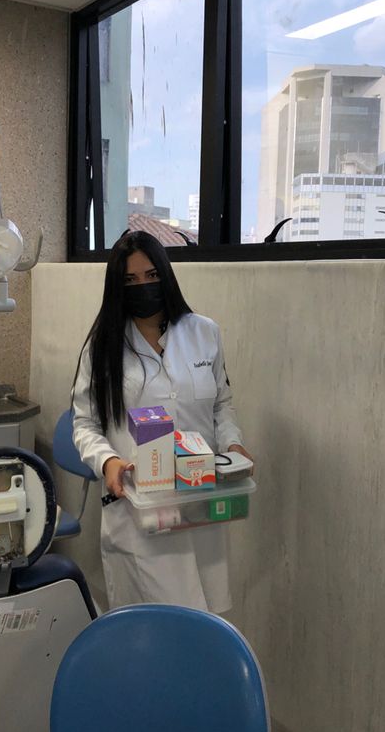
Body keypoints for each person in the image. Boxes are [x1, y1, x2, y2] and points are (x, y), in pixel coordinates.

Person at [71, 230, 252, 613]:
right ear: (117, 288)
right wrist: (108, 462)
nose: (143, 286)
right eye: (130, 280)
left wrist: (233, 446)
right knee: (153, 627)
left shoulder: (204, 333)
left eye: (152, 275)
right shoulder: (103, 344)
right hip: (140, 512)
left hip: (200, 503)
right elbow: (85, 423)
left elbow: (222, 405)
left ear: (166, 275)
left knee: (205, 622)